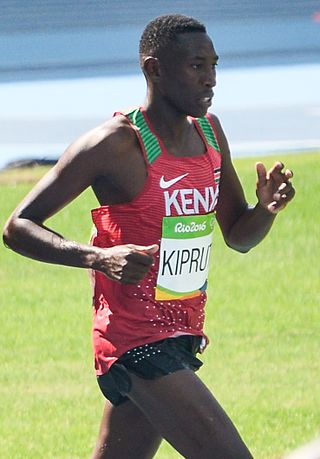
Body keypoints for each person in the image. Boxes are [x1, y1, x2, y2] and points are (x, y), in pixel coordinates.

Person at [3, 14, 295, 459]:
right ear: (154, 69)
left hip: (181, 333)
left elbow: (239, 236)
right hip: (133, 341)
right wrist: (98, 258)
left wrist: (266, 210)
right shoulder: (115, 144)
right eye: (197, 66)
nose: (211, 79)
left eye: (215, 65)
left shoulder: (210, 135)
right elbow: (17, 226)